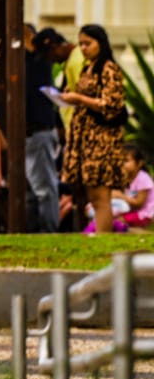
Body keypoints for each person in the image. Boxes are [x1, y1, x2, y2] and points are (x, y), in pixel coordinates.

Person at [60, 24, 129, 234]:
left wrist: (80, 98)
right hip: (85, 138)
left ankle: (103, 238)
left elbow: (112, 104)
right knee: (91, 195)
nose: (83, 48)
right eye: (80, 44)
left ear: (101, 43)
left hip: (102, 139)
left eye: (88, 43)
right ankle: (97, 233)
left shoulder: (109, 68)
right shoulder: (88, 68)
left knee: (101, 196)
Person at [24, 24, 62, 232]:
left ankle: (49, 230)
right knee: (30, 191)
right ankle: (31, 231)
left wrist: (27, 36)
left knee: (44, 189)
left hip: (39, 131)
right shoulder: (19, 61)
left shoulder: (40, 61)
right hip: (27, 134)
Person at [83, 145, 153, 234]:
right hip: (131, 212)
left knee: (116, 220)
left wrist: (121, 197)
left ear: (139, 163)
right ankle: (90, 232)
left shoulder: (143, 178)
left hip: (144, 214)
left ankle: (123, 231)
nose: (122, 164)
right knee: (104, 216)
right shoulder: (125, 178)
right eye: (120, 161)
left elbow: (139, 204)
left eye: (126, 161)